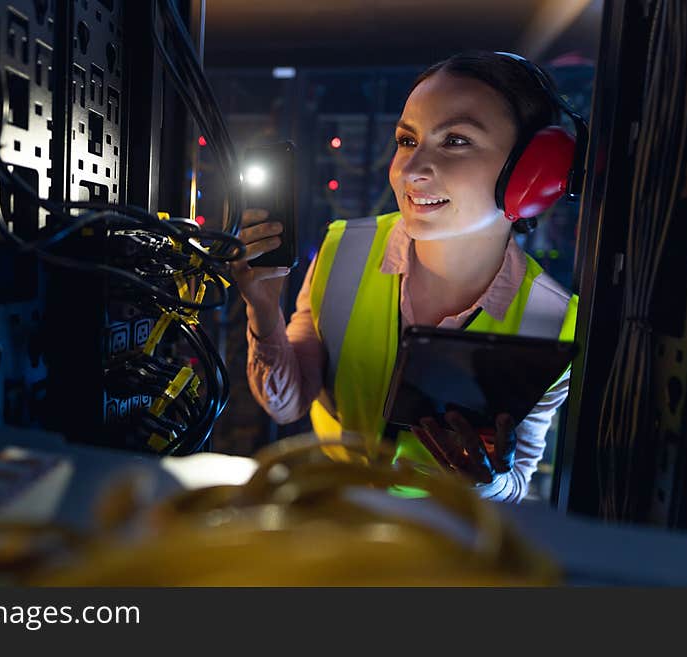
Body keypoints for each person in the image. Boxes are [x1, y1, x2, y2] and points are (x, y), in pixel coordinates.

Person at [230, 51, 580, 503]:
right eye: (407, 140)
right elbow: (288, 403)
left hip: (439, 549)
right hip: (338, 516)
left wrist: (487, 481)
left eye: (456, 140)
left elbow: (517, 483)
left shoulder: (553, 321)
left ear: (533, 173)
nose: (411, 171)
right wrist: (262, 306)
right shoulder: (342, 252)